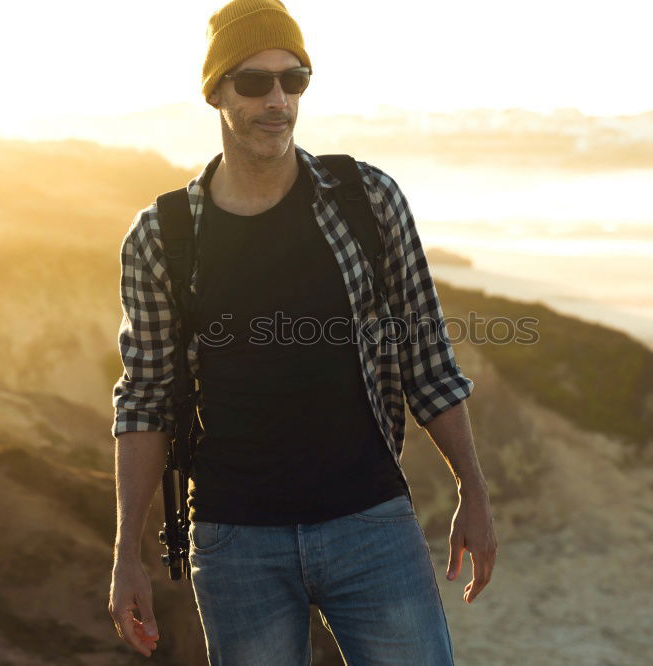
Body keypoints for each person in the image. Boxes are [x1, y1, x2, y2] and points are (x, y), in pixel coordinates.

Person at [107, 0, 497, 663]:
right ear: (217, 92)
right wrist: (126, 556)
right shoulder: (163, 237)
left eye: (294, 79)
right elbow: (144, 400)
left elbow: (427, 357)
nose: (277, 100)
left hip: (371, 523)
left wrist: (474, 492)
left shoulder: (367, 199)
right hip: (235, 545)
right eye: (254, 82)